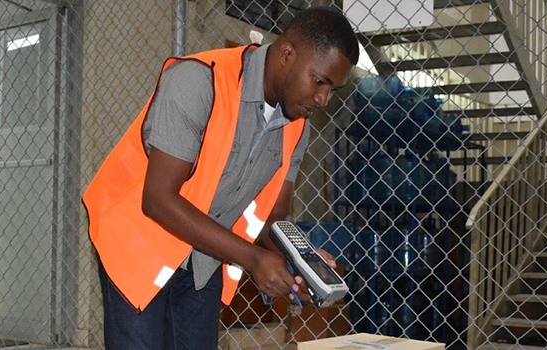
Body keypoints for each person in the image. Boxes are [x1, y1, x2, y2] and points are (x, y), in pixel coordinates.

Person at [83, 6, 360, 349]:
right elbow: (158, 199)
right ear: (287, 54)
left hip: (204, 252)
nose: (323, 99)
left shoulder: (296, 125)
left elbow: (275, 217)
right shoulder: (199, 80)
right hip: (140, 241)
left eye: (334, 90)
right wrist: (253, 258)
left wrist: (299, 261)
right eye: (320, 81)